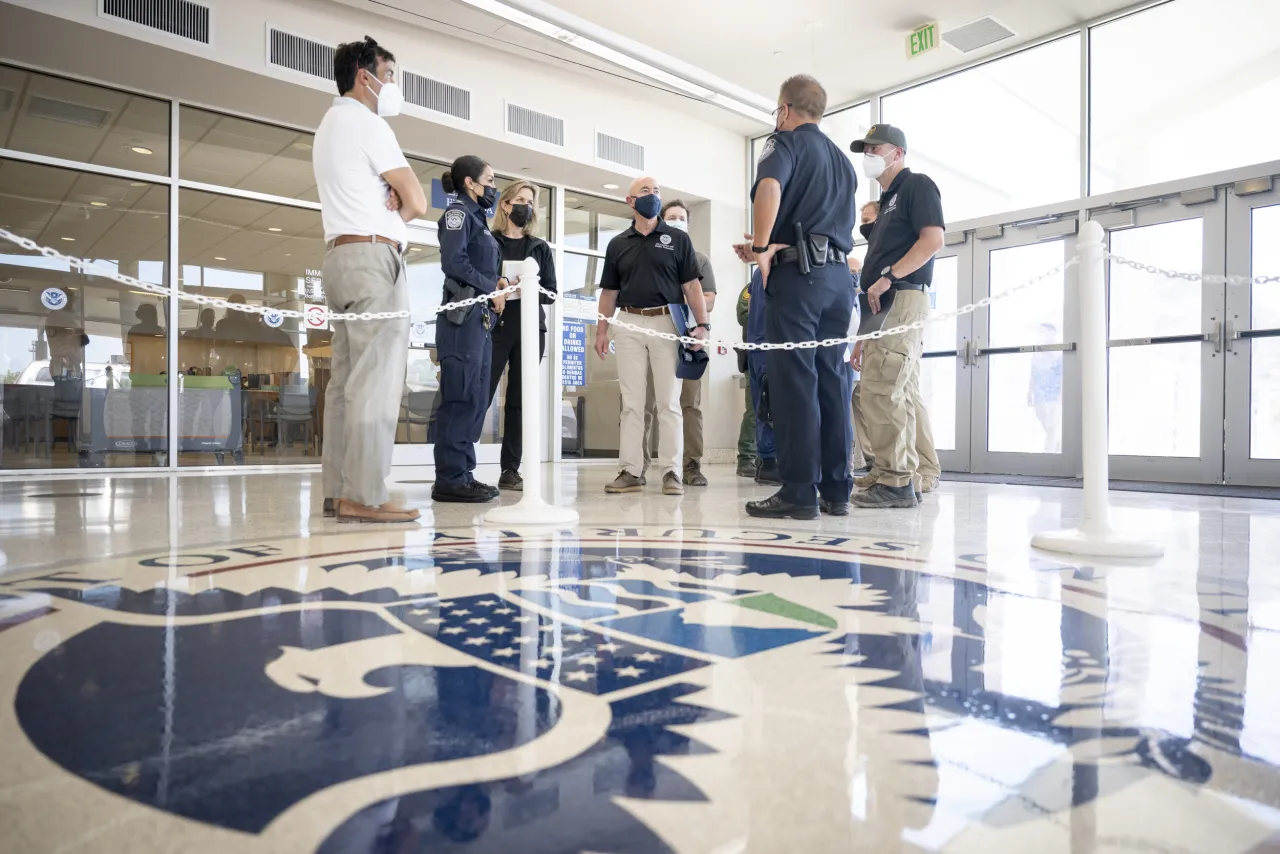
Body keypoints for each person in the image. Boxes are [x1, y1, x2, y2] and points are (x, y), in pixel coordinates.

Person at [313, 35, 427, 523]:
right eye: (391, 75)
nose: (393, 86)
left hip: (338, 258)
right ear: (366, 76)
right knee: (374, 380)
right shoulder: (368, 122)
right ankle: (364, 494)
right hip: (373, 260)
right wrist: (399, 197)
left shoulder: (328, 125)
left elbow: (397, 195)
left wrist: (392, 194)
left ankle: (337, 490)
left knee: (343, 382)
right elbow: (418, 202)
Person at [734, 75, 857, 520]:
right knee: (832, 382)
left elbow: (770, 189)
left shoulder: (781, 143)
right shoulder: (842, 161)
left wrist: (762, 249)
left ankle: (800, 493)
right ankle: (837, 490)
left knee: (794, 383)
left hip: (799, 280)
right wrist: (768, 243)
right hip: (838, 281)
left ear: (784, 111)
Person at [594, 176, 710, 497]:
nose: (653, 196)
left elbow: (692, 286)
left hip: (666, 322)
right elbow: (609, 292)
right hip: (628, 323)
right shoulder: (618, 244)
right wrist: (602, 329)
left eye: (656, 191)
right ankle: (630, 470)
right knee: (632, 403)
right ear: (631, 201)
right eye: (645, 191)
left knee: (669, 401)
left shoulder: (677, 239)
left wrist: (702, 325)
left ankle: (672, 471)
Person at [849, 123, 945, 509]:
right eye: (866, 149)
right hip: (880, 306)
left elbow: (932, 240)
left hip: (901, 297)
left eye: (877, 148)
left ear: (898, 153)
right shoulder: (887, 200)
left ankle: (896, 480)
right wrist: (861, 336)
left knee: (883, 389)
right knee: (888, 390)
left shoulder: (916, 186)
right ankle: (892, 468)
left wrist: (890, 275)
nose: (869, 154)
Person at [434, 155, 511, 504]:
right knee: (460, 397)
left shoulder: (479, 220)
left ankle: (464, 474)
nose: (494, 187)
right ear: (471, 182)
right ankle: (449, 478)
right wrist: (491, 288)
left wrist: (499, 284)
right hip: (460, 319)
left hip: (479, 321)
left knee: (477, 399)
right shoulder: (458, 215)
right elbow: (454, 262)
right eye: (490, 180)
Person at [642, 199, 717, 486]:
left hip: (688, 339)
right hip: (653, 335)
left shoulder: (698, 260)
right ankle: (639, 465)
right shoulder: (649, 255)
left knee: (688, 403)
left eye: (681, 217)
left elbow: (708, 299)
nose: (676, 221)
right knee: (645, 401)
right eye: (671, 217)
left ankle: (691, 465)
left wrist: (680, 296)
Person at [487, 181, 557, 492]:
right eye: (519, 200)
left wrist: (529, 285)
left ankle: (510, 470)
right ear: (505, 205)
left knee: (518, 400)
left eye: (530, 202)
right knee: (482, 392)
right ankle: (461, 467)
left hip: (530, 330)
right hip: (494, 327)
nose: (525, 206)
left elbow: (551, 293)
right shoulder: (489, 242)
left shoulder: (539, 247)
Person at [744, 266, 780, 486]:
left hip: (759, 346)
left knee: (764, 406)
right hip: (772, 346)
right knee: (771, 407)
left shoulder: (759, 271)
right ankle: (771, 463)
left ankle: (767, 462)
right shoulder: (777, 268)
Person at [734, 280, 757, 477]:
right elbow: (744, 316)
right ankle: (747, 458)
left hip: (783, 356)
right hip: (757, 356)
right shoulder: (752, 287)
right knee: (755, 409)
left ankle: (767, 458)